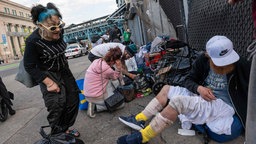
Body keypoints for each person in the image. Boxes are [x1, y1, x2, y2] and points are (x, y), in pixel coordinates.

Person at [117, 35, 251, 144]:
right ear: (208, 56)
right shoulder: (203, 61)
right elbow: (188, 80)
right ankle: (139, 119)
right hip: (202, 95)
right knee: (166, 88)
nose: (225, 65)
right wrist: (199, 88)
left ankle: (142, 137)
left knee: (178, 102)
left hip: (222, 104)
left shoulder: (241, 65)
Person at [23, 3, 81, 138]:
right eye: (53, 27)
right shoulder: (33, 41)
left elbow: (58, 32)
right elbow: (29, 65)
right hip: (47, 74)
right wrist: (49, 83)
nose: (58, 30)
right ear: (40, 26)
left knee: (73, 100)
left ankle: (65, 129)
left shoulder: (59, 32)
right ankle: (56, 135)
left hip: (64, 70)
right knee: (56, 105)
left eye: (60, 25)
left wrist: (57, 29)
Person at [84, 47, 126, 117]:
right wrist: (119, 68)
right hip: (97, 96)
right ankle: (98, 107)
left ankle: (92, 103)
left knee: (106, 81)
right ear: (114, 61)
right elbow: (118, 79)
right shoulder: (107, 70)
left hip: (87, 95)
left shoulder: (97, 61)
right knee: (121, 104)